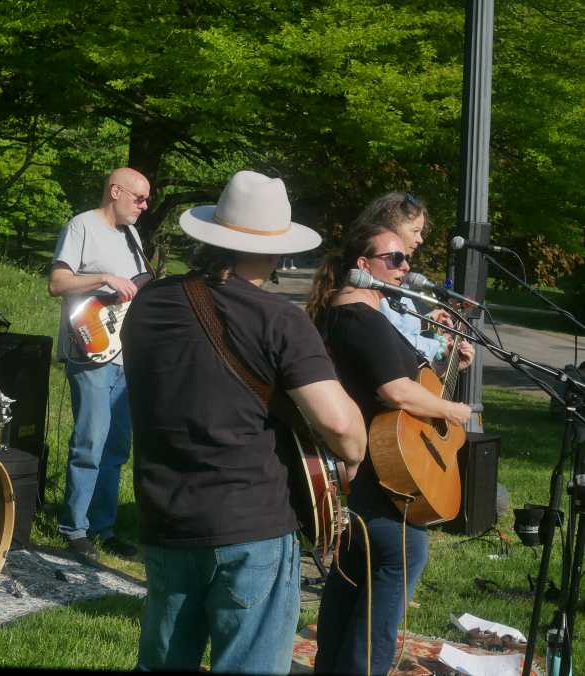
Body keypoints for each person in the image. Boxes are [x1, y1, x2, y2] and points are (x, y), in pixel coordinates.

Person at [122, 170, 367, 674]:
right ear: (278, 252)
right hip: (249, 523)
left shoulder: (148, 303)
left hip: (166, 515)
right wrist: (356, 455)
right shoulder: (279, 320)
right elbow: (341, 427)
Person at [306, 223, 475, 675]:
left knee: (351, 576)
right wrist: (451, 410)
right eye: (394, 259)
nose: (405, 267)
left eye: (406, 259)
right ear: (364, 266)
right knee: (398, 559)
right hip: (377, 473)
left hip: (369, 467)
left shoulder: (359, 316)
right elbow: (397, 391)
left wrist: (445, 356)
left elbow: (407, 380)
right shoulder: (359, 318)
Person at [47, 167, 152, 561]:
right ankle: (73, 528)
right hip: (89, 349)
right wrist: (103, 278)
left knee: (115, 446)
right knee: (90, 440)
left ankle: (103, 528)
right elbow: (57, 283)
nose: (144, 205)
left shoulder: (133, 236)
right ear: (115, 191)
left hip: (124, 354)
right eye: (139, 198)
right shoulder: (82, 226)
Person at [354, 192, 450, 364]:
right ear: (391, 229)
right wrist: (437, 344)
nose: (420, 239)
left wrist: (426, 321)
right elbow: (393, 344)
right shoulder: (373, 282)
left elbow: (400, 328)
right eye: (415, 231)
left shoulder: (396, 279)